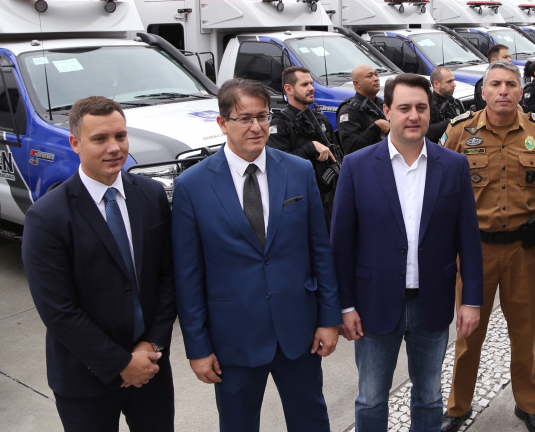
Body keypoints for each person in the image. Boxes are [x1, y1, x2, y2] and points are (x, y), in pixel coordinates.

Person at [172, 78, 341, 432]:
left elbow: (319, 250)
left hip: (298, 331)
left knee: (311, 420)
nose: (256, 127)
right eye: (245, 118)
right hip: (233, 338)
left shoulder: (297, 171)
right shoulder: (193, 185)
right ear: (222, 123)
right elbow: (188, 275)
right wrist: (197, 347)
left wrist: (329, 318)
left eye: (263, 116)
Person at [331, 73, 484, 432]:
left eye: (421, 107)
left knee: (429, 396)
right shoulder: (356, 166)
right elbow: (341, 244)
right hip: (373, 303)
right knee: (371, 398)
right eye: (403, 108)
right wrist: (344, 305)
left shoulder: (454, 166)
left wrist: (471, 301)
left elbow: (468, 240)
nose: (413, 116)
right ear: (386, 111)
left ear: (430, 112)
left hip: (433, 301)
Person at [22, 96, 176, 432]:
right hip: (85, 378)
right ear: (75, 143)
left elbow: (168, 277)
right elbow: (58, 309)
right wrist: (121, 363)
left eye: (120, 136)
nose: (114, 148)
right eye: (100, 139)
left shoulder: (151, 195)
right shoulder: (47, 217)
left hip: (150, 367)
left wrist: (152, 346)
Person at [441, 61, 535, 432]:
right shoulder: (459, 132)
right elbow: (440, 187)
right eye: (495, 84)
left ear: (521, 90)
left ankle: (529, 405)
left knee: (524, 333)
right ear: (483, 91)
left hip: (524, 250)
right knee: (468, 334)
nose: (503, 91)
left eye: (510, 84)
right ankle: (457, 407)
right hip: (475, 252)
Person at [268, 67, 342, 225]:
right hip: (300, 201)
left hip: (329, 198)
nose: (311, 88)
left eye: (311, 83)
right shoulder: (280, 124)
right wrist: (310, 147)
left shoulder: (321, 120)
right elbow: (277, 165)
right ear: (289, 89)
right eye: (304, 84)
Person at [338, 64, 390, 154]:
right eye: (369, 76)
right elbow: (350, 148)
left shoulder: (381, 103)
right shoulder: (349, 110)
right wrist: (375, 127)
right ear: (357, 84)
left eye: (376, 75)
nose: (376, 78)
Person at [426, 66, 465, 143]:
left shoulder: (456, 103)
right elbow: (426, 132)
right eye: (449, 81)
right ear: (436, 84)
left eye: (453, 80)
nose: (454, 84)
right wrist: (449, 122)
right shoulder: (428, 106)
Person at [472, 44, 513, 110]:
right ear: (494, 61)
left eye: (509, 57)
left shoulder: (512, 79)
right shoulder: (484, 83)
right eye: (505, 57)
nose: (509, 60)